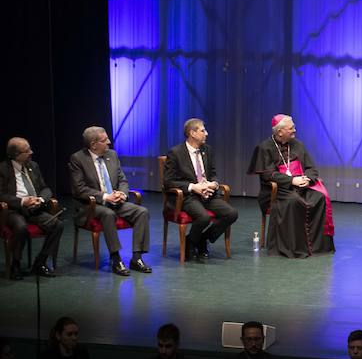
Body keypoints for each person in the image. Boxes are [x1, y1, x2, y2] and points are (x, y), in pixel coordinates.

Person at [248, 114, 334, 258]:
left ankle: (316, 246)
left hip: (301, 186)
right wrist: (292, 180)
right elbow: (268, 175)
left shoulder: (297, 145)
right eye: (291, 128)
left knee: (319, 197)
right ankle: (293, 247)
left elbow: (311, 167)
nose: (295, 130)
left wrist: (308, 178)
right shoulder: (264, 147)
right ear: (280, 131)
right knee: (294, 201)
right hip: (275, 191)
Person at [68, 126, 151, 276]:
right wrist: (105, 197)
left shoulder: (111, 155)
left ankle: (136, 258)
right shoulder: (78, 159)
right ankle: (116, 258)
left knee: (142, 212)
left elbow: (122, 179)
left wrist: (122, 194)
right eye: (104, 140)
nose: (109, 142)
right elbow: (79, 189)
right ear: (93, 144)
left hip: (115, 202)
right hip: (90, 206)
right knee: (107, 214)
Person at [163, 117, 238, 259]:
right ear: (192, 133)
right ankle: (194, 243)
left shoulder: (207, 150)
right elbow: (168, 182)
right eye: (203, 130)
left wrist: (213, 184)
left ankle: (197, 240)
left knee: (231, 213)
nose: (207, 133)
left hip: (208, 194)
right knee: (203, 218)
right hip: (188, 196)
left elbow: (213, 174)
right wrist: (193, 187)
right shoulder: (176, 153)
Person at [1, 136, 63, 277]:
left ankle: (40, 262)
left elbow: (45, 188)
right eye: (27, 151)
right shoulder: (3, 169)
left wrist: (40, 199)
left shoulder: (33, 166)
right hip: (13, 210)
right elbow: (1, 195)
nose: (31, 152)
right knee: (20, 227)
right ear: (16, 155)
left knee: (57, 225)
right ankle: (15, 263)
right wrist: (23, 201)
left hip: (34, 208)